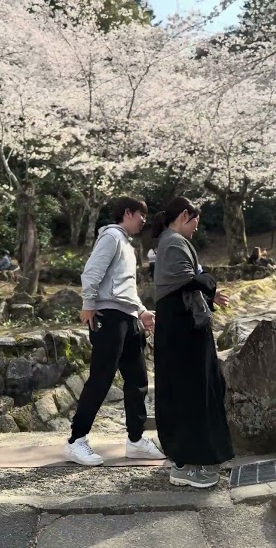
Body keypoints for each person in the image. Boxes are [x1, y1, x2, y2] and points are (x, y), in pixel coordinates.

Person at [64, 196, 165, 466]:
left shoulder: (126, 244)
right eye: (141, 215)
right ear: (128, 213)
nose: (144, 220)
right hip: (108, 317)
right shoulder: (110, 237)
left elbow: (124, 287)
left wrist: (141, 311)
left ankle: (135, 440)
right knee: (101, 378)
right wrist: (88, 304)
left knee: (138, 380)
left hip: (128, 317)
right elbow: (91, 272)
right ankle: (76, 441)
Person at [151, 196, 234, 488]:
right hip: (183, 330)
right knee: (192, 391)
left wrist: (211, 292)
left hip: (182, 328)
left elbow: (189, 280)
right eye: (195, 223)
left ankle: (188, 461)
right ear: (185, 215)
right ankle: (190, 464)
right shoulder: (173, 242)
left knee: (193, 389)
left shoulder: (170, 241)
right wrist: (209, 285)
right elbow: (186, 279)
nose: (196, 230)